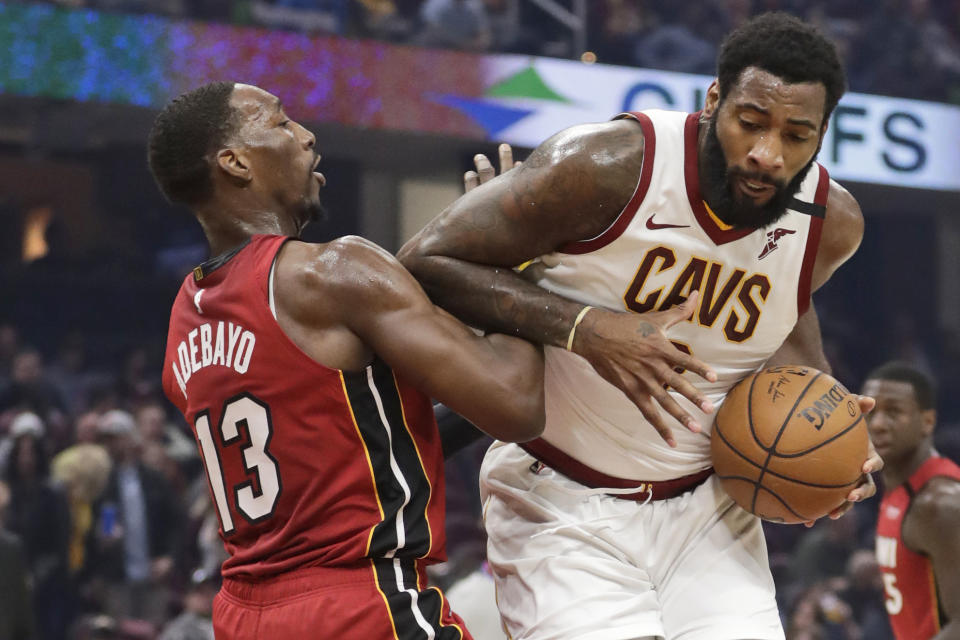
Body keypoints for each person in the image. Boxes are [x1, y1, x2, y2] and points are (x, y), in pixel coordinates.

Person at [399, 12, 882, 640]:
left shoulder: (831, 224)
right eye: (751, 123)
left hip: (709, 514)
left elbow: (785, 324)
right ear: (714, 102)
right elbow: (425, 261)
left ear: (821, 135)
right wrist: (587, 328)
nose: (767, 154)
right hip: (562, 501)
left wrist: (833, 433)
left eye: (797, 135)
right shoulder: (606, 165)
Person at [147, 81, 544, 639]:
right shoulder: (330, 273)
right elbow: (518, 403)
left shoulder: (183, 323)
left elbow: (357, 450)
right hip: (359, 604)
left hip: (242, 615)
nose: (307, 136)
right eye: (281, 123)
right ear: (235, 162)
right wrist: (512, 258)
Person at [863, 361, 960, 640]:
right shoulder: (898, 488)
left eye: (893, 412)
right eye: (871, 411)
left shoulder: (940, 504)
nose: (878, 424)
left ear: (927, 421)